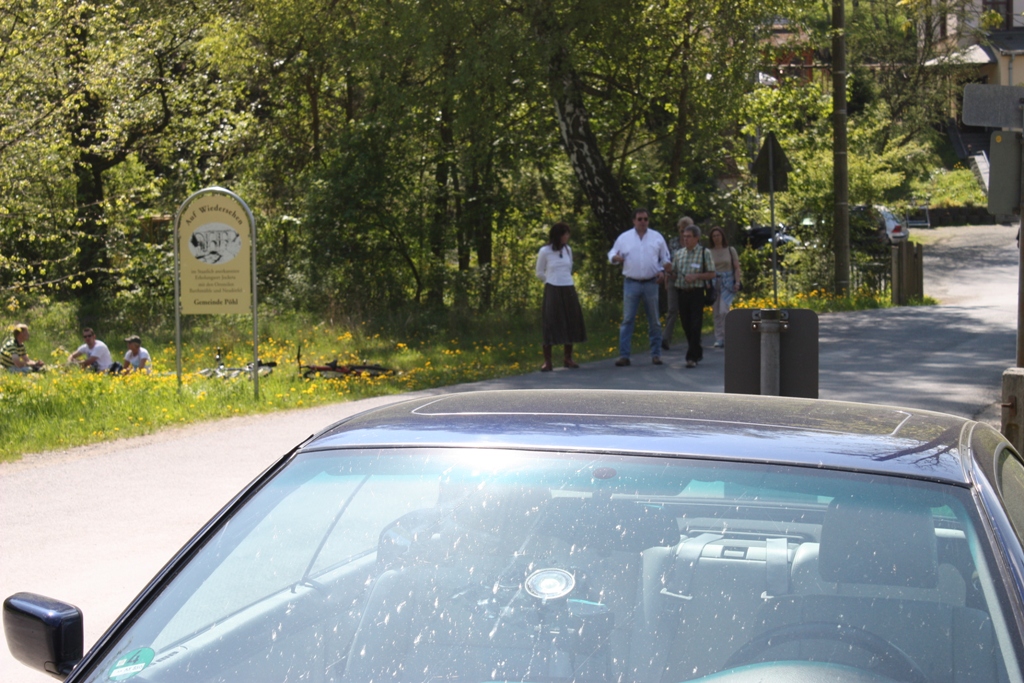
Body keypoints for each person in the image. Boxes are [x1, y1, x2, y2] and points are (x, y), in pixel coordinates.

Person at [608, 208, 671, 366]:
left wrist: (663, 271)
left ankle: (656, 354)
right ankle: (624, 355)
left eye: (645, 219)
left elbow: (665, 258)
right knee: (628, 319)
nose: (643, 222)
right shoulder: (624, 237)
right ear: (634, 221)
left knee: (654, 320)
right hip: (631, 282)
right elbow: (612, 253)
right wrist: (615, 258)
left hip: (651, 282)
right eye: (640, 219)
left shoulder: (657, 237)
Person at [535, 223, 587, 371]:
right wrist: (550, 280)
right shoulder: (545, 251)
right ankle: (548, 361)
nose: (567, 237)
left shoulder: (568, 250)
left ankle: (568, 358)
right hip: (553, 287)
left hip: (568, 287)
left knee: (571, 320)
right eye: (565, 234)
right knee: (551, 321)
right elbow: (539, 272)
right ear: (558, 235)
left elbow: (569, 267)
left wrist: (565, 280)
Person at [670, 224, 715, 368]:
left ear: (697, 238)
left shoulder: (704, 253)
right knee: (686, 325)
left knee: (695, 325)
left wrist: (696, 276)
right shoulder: (679, 254)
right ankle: (697, 349)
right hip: (682, 292)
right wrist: (668, 272)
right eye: (684, 237)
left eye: (689, 237)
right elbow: (674, 272)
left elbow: (712, 273)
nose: (686, 239)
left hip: (696, 292)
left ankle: (691, 357)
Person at [661, 216, 695, 350]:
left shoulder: (695, 245)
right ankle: (665, 339)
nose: (684, 234)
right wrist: (666, 277)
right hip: (673, 280)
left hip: (688, 281)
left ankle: (693, 338)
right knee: (672, 309)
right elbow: (667, 260)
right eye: (682, 231)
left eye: (687, 231)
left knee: (688, 311)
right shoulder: (673, 243)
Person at [707, 226, 742, 349]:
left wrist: (737, 282)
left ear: (722, 236)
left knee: (723, 310)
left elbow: (736, 268)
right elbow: (707, 268)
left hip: (728, 282)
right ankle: (719, 338)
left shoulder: (730, 250)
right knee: (716, 312)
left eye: (718, 235)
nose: (716, 238)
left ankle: (728, 336)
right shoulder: (709, 252)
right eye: (714, 236)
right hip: (714, 282)